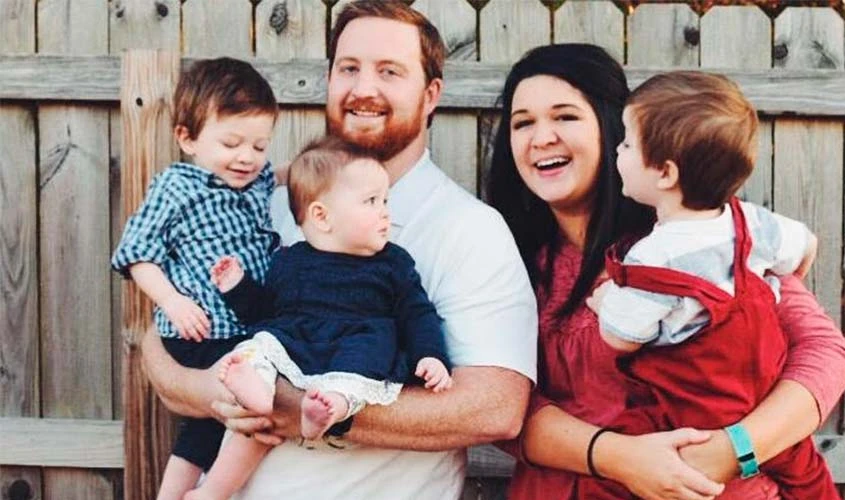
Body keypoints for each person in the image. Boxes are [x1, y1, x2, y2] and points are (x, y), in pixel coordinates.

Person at [139, 1, 538, 499]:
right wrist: (214, 391)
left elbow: (495, 409)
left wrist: (300, 406)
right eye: (349, 68)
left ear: (431, 94)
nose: (363, 88)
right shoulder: (267, 202)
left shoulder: (467, 230)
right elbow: (163, 333)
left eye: (389, 71)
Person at [486, 44, 845, 500]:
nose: (541, 137)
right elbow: (498, 409)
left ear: (612, 128)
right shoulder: (505, 259)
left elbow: (826, 354)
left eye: (565, 116)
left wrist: (732, 450)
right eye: (523, 123)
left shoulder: (696, 235)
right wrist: (619, 457)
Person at [578, 71, 838, 499]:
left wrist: (607, 301)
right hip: (767, 403)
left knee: (613, 468)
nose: (617, 151)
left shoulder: (652, 258)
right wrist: (769, 283)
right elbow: (807, 246)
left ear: (665, 173)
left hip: (693, 414)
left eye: (626, 144)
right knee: (809, 475)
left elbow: (622, 337)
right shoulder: (750, 223)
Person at [186, 136, 452, 500]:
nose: (386, 212)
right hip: (295, 344)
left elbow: (417, 314)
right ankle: (218, 478)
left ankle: (328, 411)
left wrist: (430, 355)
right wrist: (237, 287)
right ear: (322, 217)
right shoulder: (289, 260)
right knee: (259, 357)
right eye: (371, 201)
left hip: (356, 347)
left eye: (385, 200)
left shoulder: (393, 262)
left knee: (356, 376)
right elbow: (265, 313)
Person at [110, 57, 279, 500]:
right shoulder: (177, 186)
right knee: (251, 410)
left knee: (207, 428)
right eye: (231, 143)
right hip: (200, 328)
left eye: (259, 145)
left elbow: (287, 174)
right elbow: (136, 253)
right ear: (187, 139)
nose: (247, 157)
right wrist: (172, 302)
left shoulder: (259, 180)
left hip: (244, 325)